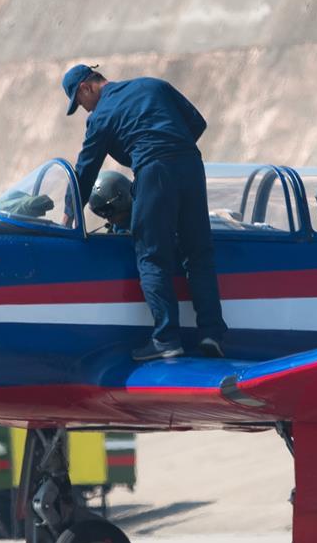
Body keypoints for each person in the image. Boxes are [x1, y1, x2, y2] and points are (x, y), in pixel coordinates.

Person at [62, 64, 226, 361]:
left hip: (154, 170)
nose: (84, 110)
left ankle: (166, 340)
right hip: (191, 165)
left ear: (86, 87)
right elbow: (197, 124)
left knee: (151, 255)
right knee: (199, 253)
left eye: (80, 103)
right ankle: (212, 334)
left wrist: (68, 214)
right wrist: (173, 148)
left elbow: (85, 170)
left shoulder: (101, 116)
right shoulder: (154, 85)